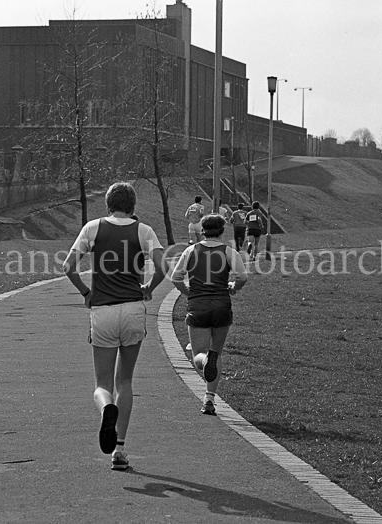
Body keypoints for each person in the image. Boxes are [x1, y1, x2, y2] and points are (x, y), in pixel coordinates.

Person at [63, 182, 167, 471]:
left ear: (108, 204)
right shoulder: (144, 231)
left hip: (103, 311)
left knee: (102, 384)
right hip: (133, 309)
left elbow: (68, 267)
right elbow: (164, 267)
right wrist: (148, 289)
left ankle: (106, 407)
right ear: (133, 206)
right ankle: (119, 450)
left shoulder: (92, 228)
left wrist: (86, 292)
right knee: (125, 382)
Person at [170, 214, 248, 415]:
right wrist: (233, 287)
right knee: (217, 352)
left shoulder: (191, 251)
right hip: (222, 304)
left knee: (199, 354)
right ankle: (209, 399)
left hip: (198, 305)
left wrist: (188, 292)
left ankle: (206, 360)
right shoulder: (229, 252)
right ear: (222, 231)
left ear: (202, 230)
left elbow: (176, 277)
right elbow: (242, 277)